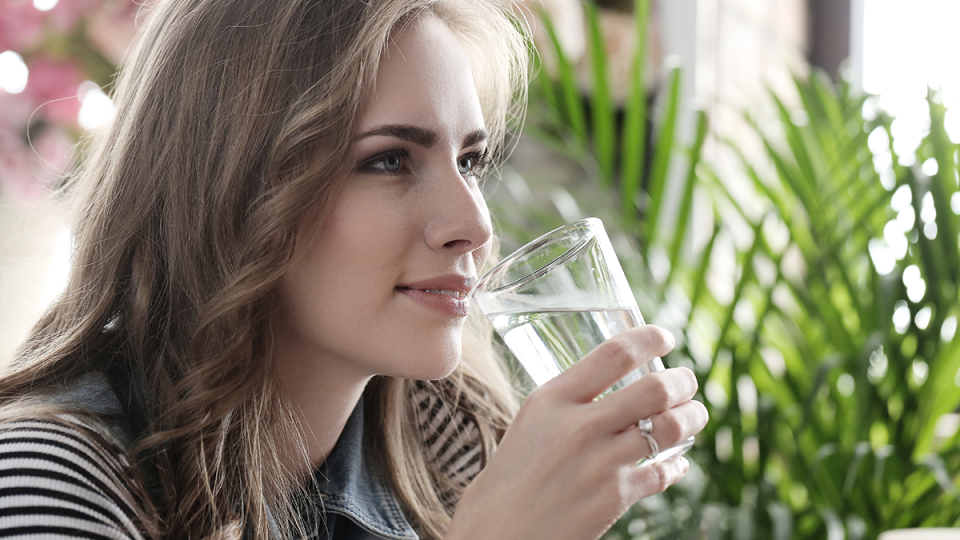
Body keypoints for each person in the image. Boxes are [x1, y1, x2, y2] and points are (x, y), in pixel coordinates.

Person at [0, 0, 708, 538]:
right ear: (230, 189)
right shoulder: (51, 478)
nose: (475, 225)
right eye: (390, 160)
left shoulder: (448, 437)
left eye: (469, 161)